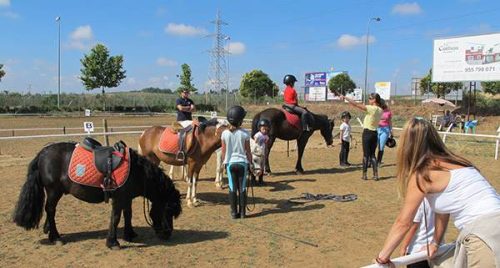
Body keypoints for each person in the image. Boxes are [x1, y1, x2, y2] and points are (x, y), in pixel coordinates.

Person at [375, 118, 500, 267]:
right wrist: (435, 241)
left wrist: (382, 257)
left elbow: (403, 222)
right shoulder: (457, 163)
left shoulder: (423, 174)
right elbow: (444, 209)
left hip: (483, 234)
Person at [340, 93, 383, 180]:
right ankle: (375, 175)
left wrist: (345, 98)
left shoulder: (372, 108)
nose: (369, 100)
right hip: (375, 133)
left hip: (367, 133)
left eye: (370, 98)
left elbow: (356, 104)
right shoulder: (380, 110)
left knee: (365, 155)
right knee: (373, 155)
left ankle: (364, 174)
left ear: (374, 100)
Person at [220, 105, 253, 219]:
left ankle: (234, 213)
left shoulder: (224, 133)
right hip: (242, 163)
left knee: (232, 187)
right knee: (242, 188)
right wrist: (251, 164)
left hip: (230, 164)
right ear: (240, 120)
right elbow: (248, 151)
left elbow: (223, 152)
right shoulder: (245, 133)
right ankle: (243, 213)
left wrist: (224, 164)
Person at [400, 199, 435, 268]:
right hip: (436, 249)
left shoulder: (419, 202)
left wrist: (403, 247)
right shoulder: (438, 199)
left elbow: (414, 227)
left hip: (417, 251)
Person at [376, 99, 393, 167]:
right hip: (376, 128)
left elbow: (390, 122)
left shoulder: (388, 111)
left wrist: (391, 130)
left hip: (385, 129)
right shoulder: (376, 110)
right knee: (374, 145)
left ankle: (379, 162)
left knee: (381, 146)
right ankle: (372, 160)